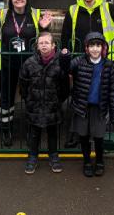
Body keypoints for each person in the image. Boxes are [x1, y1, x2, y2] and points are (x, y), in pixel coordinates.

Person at [61, 0, 114, 148]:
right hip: (80, 61)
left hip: (105, 61)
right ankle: (76, 134)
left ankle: (100, 134)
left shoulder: (107, 8)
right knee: (78, 98)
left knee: (102, 97)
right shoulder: (73, 10)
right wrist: (67, 58)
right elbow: (65, 35)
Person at [0, 0, 52, 146]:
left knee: (31, 97)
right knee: (6, 98)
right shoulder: (3, 14)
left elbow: (44, 37)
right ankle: (6, 130)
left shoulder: (35, 14)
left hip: (31, 65)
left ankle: (30, 131)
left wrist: (44, 27)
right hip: (7, 63)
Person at [69, 32, 114, 178]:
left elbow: (112, 90)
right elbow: (65, 68)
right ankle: (86, 162)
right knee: (83, 136)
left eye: (98, 45)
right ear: (87, 48)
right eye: (91, 45)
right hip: (82, 106)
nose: (95, 49)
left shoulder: (108, 65)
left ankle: (99, 161)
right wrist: (64, 57)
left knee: (99, 137)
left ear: (103, 48)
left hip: (100, 107)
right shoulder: (79, 61)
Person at [18, 31, 71, 174]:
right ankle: (32, 157)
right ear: (37, 46)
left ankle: (53, 156)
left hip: (53, 105)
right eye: (41, 43)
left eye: (47, 42)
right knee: (34, 133)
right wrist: (29, 99)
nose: (44, 45)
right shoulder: (29, 63)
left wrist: (58, 100)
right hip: (34, 105)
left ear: (53, 45)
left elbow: (65, 86)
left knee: (52, 133)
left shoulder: (60, 63)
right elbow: (23, 84)